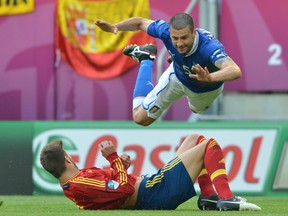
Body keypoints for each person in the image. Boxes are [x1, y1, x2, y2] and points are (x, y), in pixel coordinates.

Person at [40, 133, 261, 211]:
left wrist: (120, 166)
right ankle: (226, 198)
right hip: (154, 192)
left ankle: (208, 198)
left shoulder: (76, 183)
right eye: (69, 154)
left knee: (194, 139)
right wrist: (114, 158)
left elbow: (114, 186)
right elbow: (124, 189)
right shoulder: (80, 184)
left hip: (152, 188)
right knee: (208, 145)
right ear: (67, 159)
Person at [95, 13, 242, 126]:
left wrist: (210, 78)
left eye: (184, 38)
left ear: (194, 33)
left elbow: (234, 70)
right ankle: (146, 59)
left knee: (196, 109)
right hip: (177, 76)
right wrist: (116, 26)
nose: (179, 43)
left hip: (204, 90)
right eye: (175, 38)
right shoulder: (165, 31)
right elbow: (140, 22)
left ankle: (180, 61)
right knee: (140, 119)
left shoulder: (209, 47)